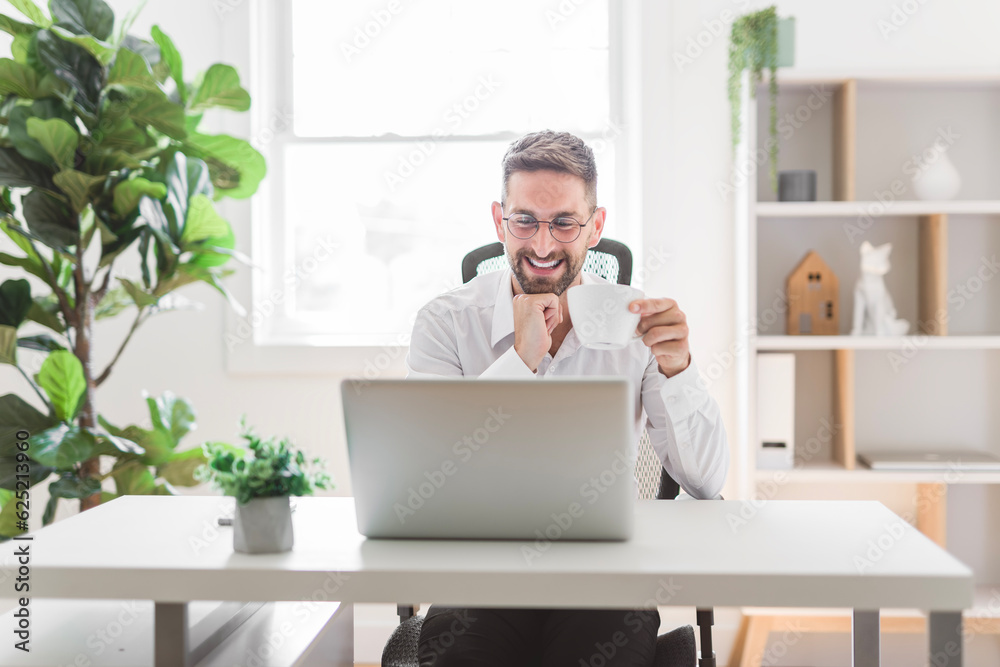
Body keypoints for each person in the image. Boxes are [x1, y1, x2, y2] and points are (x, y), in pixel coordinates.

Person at [405, 130, 729, 667]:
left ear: (595, 227)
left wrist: (679, 370)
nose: (542, 245)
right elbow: (432, 477)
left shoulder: (637, 328)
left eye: (564, 223)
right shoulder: (444, 323)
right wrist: (521, 361)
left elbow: (706, 481)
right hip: (483, 576)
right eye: (525, 220)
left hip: (605, 579)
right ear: (498, 221)